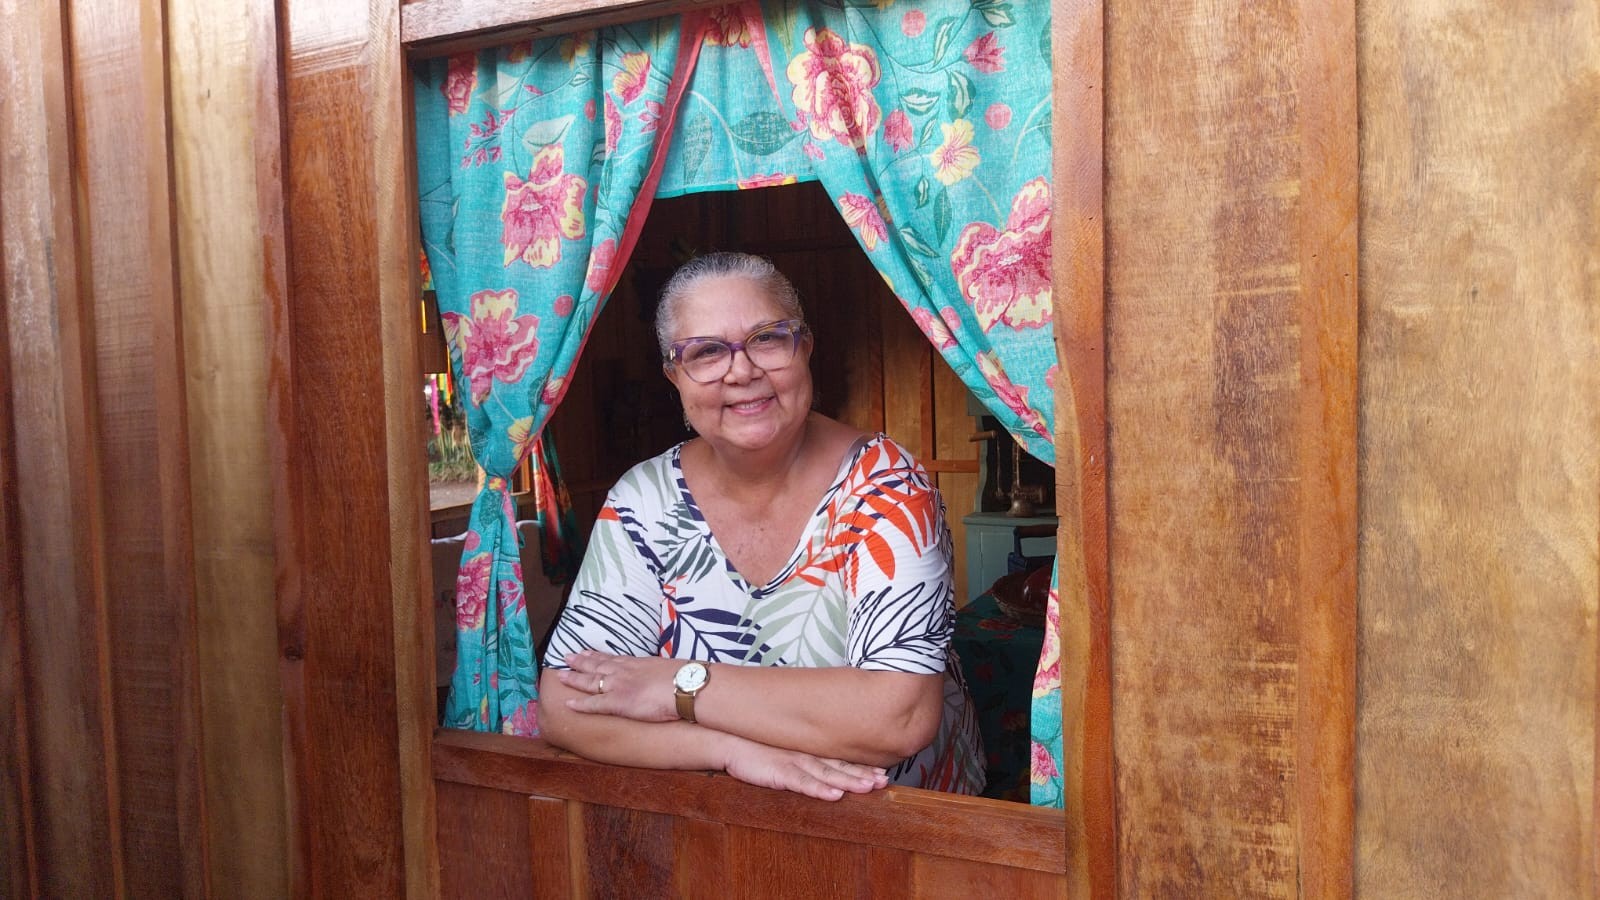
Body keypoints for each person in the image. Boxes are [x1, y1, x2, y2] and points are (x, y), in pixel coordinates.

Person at [538, 252, 984, 800]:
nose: (742, 370)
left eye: (768, 339)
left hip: (901, 823)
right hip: (726, 817)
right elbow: (564, 707)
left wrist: (676, 685)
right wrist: (733, 753)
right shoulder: (643, 500)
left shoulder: (886, 486)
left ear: (806, 346)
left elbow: (899, 716)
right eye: (704, 352)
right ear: (674, 376)